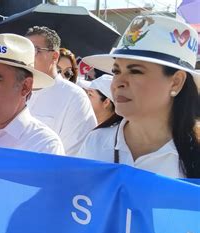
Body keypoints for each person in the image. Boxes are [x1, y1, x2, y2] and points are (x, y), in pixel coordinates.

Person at [78, 15, 200, 178]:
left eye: (135, 71)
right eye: (116, 71)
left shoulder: (194, 153)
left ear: (176, 82)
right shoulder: (96, 142)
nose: (118, 82)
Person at [26, 26, 97, 156]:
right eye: (25, 50)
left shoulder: (74, 97)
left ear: (54, 56)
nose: (28, 56)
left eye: (35, 50)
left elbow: (74, 153)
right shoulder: (12, 90)